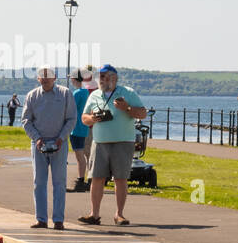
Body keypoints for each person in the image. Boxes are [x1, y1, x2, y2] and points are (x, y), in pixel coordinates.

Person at [79, 64, 146, 226]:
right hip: (100, 142)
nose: (102, 79)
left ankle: (119, 214)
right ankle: (94, 214)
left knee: (120, 178)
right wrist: (92, 119)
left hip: (123, 142)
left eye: (106, 76)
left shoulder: (127, 93)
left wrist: (127, 108)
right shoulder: (95, 95)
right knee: (96, 178)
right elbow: (84, 117)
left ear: (115, 78)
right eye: (100, 76)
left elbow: (143, 114)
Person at [21, 66, 77, 229]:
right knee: (39, 182)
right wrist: (37, 138)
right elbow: (26, 120)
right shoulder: (32, 96)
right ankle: (41, 219)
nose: (45, 79)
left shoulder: (65, 93)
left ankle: (58, 220)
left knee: (59, 182)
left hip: (59, 143)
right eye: (42, 76)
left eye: (48, 76)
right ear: (38, 79)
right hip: (38, 144)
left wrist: (61, 138)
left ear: (54, 78)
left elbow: (72, 118)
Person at [68, 68, 93, 191]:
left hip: (76, 127)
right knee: (81, 155)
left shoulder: (77, 93)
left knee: (79, 156)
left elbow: (69, 108)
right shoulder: (85, 92)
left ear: (73, 79)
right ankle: (86, 179)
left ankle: (80, 181)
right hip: (82, 127)